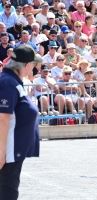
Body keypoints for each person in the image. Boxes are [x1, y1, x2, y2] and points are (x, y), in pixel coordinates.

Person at [0, 44, 42, 199]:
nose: (35, 67)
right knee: (7, 190)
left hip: (13, 148)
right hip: (8, 149)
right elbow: (2, 119)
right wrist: (2, 151)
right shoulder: (8, 82)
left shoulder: (13, 81)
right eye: (34, 64)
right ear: (26, 65)